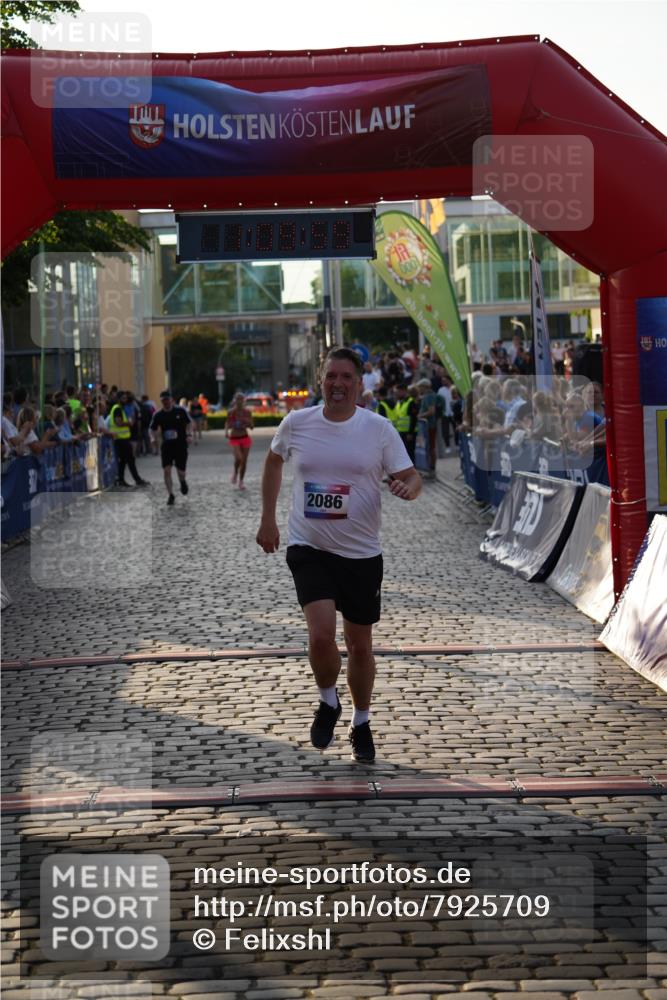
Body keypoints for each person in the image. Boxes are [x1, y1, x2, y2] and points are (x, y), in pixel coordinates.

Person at [256, 347, 422, 764]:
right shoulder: (297, 423)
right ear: (321, 380)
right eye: (331, 376)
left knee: (360, 647)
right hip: (309, 546)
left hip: (362, 553)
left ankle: (361, 721)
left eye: (347, 377)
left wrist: (408, 489)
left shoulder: (379, 429)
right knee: (320, 635)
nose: (338, 384)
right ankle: (328, 700)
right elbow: (273, 462)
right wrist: (268, 519)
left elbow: (411, 476)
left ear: (359, 384)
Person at [150, 390, 192, 505]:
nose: (166, 402)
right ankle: (170, 494)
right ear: (161, 401)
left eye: (167, 400)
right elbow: (152, 429)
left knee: (181, 472)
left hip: (180, 445)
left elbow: (188, 423)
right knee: (166, 470)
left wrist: (189, 435)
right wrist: (153, 438)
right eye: (163, 401)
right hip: (167, 446)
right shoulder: (158, 415)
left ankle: (182, 482)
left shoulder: (180, 411)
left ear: (171, 400)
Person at [109, 394, 150, 488]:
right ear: (118, 399)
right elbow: (118, 422)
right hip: (120, 439)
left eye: (126, 398)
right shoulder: (118, 409)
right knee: (130, 459)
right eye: (123, 398)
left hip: (121, 438)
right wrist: (129, 423)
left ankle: (121, 480)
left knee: (123, 461)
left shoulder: (119, 408)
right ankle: (137, 480)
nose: (125, 400)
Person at [225, 391, 254, 489]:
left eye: (241, 399)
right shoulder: (231, 412)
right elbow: (227, 423)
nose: (239, 401)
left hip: (245, 438)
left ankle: (241, 481)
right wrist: (226, 431)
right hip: (234, 438)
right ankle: (235, 472)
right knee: (239, 458)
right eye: (237, 399)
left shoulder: (247, 412)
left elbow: (252, 426)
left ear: (244, 400)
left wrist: (248, 423)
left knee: (244, 461)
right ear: (235, 400)